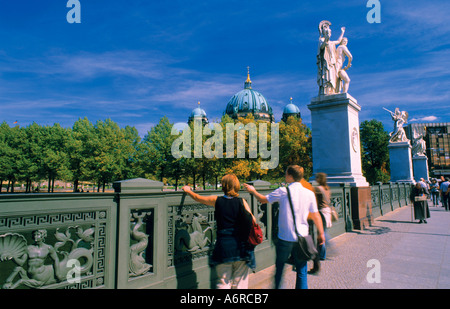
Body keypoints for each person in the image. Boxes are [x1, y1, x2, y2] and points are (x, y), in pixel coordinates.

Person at [243, 165, 325, 289]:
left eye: (286, 174)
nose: (285, 176)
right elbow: (316, 215)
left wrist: (253, 191)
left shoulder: (283, 191)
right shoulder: (309, 193)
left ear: (291, 176)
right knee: (302, 272)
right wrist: (321, 233)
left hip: (285, 237)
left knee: (280, 270)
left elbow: (263, 200)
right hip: (302, 237)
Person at [182, 174, 255, 289]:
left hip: (224, 247)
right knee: (240, 284)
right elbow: (253, 221)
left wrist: (188, 191)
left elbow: (198, 198)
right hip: (241, 247)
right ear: (236, 186)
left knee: (223, 282)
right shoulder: (242, 202)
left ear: (223, 186)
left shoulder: (217, 200)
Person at [309, 173, 332, 275]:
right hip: (328, 212)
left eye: (317, 177)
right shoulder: (327, 188)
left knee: (321, 233)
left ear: (320, 179)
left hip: (321, 213)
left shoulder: (318, 189)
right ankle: (324, 253)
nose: (316, 178)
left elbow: (313, 200)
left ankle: (322, 254)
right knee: (324, 232)